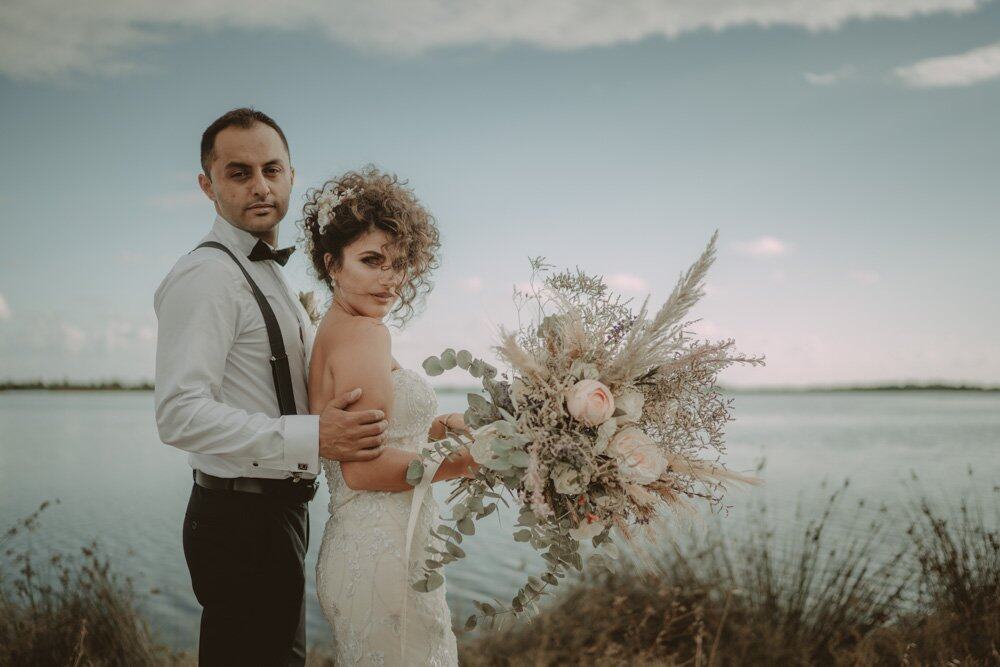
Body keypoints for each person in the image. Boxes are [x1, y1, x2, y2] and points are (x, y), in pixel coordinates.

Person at [153, 108, 388, 666]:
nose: (260, 186)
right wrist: (313, 436)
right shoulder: (206, 276)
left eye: (272, 169)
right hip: (238, 521)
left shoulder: (266, 272)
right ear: (207, 186)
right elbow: (179, 414)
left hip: (275, 515)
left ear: (290, 175)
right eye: (239, 173)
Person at [304, 167, 477, 666]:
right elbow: (365, 468)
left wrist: (445, 427)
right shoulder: (364, 335)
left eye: (399, 263)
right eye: (371, 260)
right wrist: (474, 461)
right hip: (383, 554)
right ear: (332, 263)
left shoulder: (339, 328)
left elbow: (384, 428)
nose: (390, 278)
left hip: (371, 548)